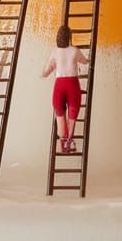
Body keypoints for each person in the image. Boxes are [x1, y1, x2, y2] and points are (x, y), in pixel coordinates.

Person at [41, 24, 88, 154]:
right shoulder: (74, 50)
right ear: (69, 37)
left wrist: (42, 74)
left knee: (60, 114)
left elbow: (47, 70)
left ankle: (62, 142)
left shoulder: (55, 51)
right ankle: (69, 139)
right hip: (72, 84)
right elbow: (84, 61)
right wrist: (87, 61)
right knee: (73, 111)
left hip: (59, 85)